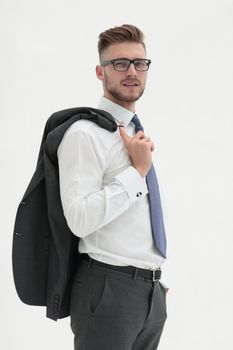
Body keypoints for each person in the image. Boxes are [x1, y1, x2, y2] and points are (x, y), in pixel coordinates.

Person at [57, 24, 168, 350]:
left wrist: (151, 280)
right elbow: (78, 218)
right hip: (108, 290)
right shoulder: (84, 134)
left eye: (139, 63)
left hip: (149, 292)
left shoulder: (134, 134)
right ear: (100, 71)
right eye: (119, 63)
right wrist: (138, 172)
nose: (132, 71)